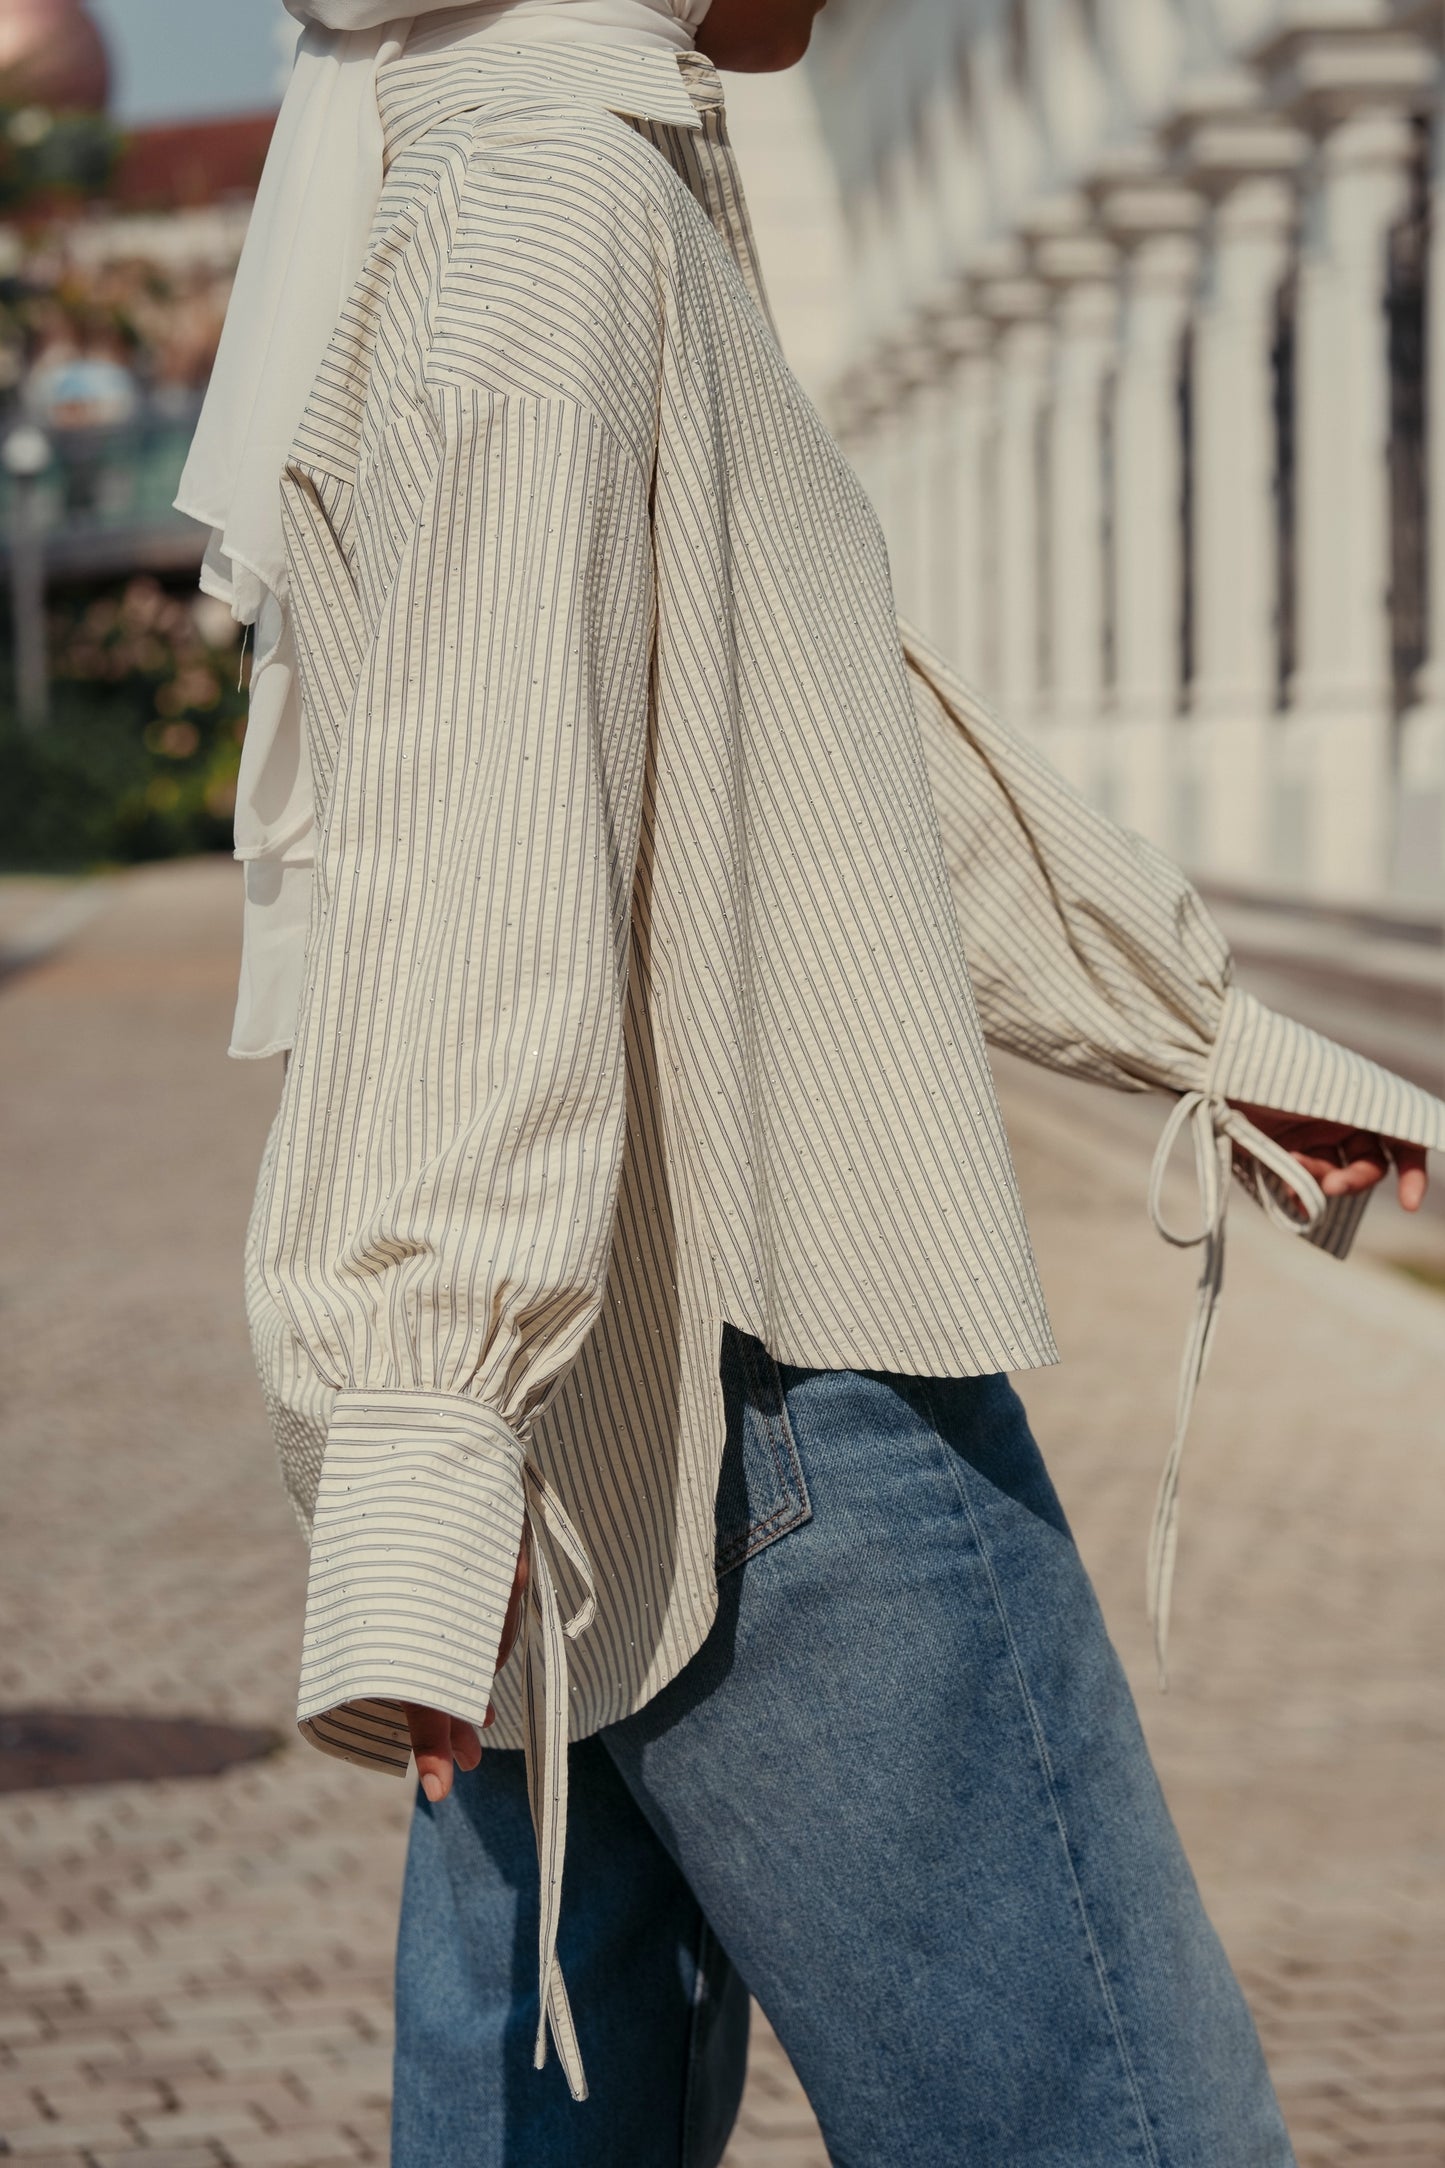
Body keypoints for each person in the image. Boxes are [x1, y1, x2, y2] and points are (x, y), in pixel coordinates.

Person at [177, 0, 1444, 2160]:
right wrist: (420, 1408)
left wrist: (1189, 1022)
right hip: (774, 1390)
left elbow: (821, 752)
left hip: (599, 1406)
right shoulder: (555, 212)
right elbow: (481, 855)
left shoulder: (548, 171)